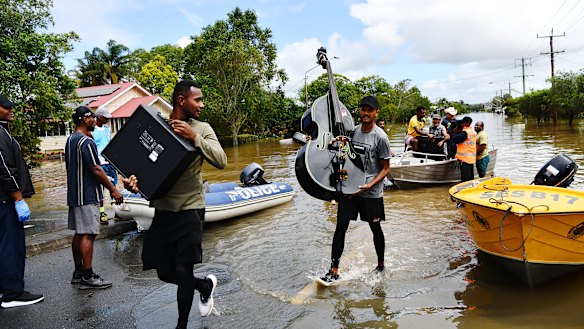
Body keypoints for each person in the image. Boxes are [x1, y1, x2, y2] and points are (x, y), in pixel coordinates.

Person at [123, 80, 227, 328]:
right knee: (164, 272)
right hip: (163, 211)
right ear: (181, 100)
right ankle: (204, 285)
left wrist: (194, 138)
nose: (202, 105)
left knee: (183, 271)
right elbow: (140, 166)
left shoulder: (202, 128)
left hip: (190, 209)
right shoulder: (157, 127)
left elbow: (222, 160)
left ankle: (181, 325)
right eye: (197, 100)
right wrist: (133, 183)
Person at [320, 95, 391, 284]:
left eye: (370, 110)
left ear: (376, 113)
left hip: (372, 192)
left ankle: (381, 265)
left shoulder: (381, 137)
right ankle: (334, 269)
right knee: (340, 228)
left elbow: (386, 168)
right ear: (360, 111)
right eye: (363, 109)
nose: (366, 113)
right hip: (351, 190)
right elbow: (346, 157)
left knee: (375, 228)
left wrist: (370, 185)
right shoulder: (352, 132)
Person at [65, 106, 124, 290]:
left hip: (74, 194)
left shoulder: (70, 140)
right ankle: (88, 276)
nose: (94, 120)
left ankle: (78, 272)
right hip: (88, 194)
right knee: (89, 234)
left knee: (79, 233)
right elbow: (96, 169)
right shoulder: (86, 142)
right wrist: (114, 189)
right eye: (92, 117)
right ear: (85, 119)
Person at [0, 94, 44, 308]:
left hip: (5, 201)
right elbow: (4, 168)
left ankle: (5, 288)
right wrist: (18, 197)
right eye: (6, 107)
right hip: (6, 201)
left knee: (4, 246)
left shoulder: (4, 130)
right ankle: (12, 293)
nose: (11, 109)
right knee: (11, 247)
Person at [92, 107, 117, 225]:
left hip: (110, 163)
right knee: (100, 190)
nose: (107, 119)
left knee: (114, 187)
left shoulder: (107, 129)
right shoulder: (92, 131)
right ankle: (102, 212)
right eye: (105, 117)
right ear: (100, 117)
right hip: (100, 163)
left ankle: (117, 211)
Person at [451, 117, 477, 182]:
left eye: (463, 123)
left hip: (465, 159)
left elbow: (454, 139)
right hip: (471, 158)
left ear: (467, 123)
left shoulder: (465, 133)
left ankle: (466, 191)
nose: (461, 124)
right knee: (470, 178)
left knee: (466, 180)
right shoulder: (472, 131)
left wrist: (456, 132)